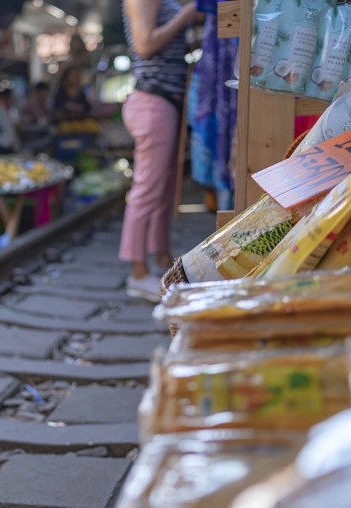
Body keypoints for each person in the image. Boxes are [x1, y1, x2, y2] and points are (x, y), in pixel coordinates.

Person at [119, 0, 202, 302]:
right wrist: (187, 14)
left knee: (163, 191)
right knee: (148, 189)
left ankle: (160, 261)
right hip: (153, 101)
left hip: (164, 102)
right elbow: (145, 45)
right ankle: (137, 273)